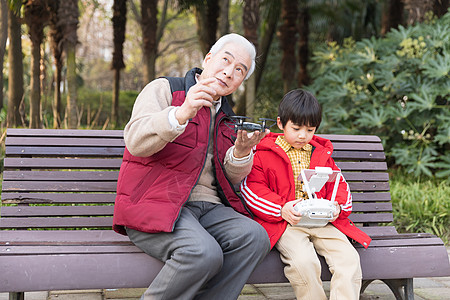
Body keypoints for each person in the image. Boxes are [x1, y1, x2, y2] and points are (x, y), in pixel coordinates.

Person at [112, 33, 271, 300]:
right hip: (155, 203)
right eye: (225, 60)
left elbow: (228, 179)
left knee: (254, 238)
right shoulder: (165, 89)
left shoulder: (228, 118)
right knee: (202, 253)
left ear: (241, 82)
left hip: (207, 209)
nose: (229, 72)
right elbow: (136, 142)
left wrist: (242, 152)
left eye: (239, 70)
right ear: (208, 59)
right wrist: (181, 112)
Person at [240, 89, 372, 300]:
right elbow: (252, 189)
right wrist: (281, 208)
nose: (303, 135)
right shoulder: (263, 154)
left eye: (310, 130)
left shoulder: (320, 153)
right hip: (287, 224)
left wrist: (338, 207)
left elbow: (339, 184)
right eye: (296, 128)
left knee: (348, 259)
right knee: (304, 262)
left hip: (322, 221)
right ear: (281, 123)